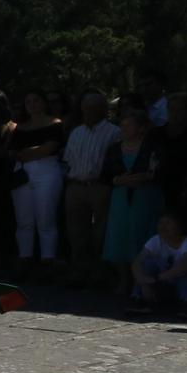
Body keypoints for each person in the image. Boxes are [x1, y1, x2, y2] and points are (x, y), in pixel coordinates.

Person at [100, 101, 164, 294]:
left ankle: (142, 281)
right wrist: (120, 180)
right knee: (119, 236)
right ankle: (123, 280)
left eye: (129, 125)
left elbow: (159, 172)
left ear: (142, 127)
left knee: (142, 234)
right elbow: (105, 175)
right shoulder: (114, 149)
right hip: (121, 198)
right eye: (123, 125)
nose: (124, 128)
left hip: (146, 197)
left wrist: (142, 177)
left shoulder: (152, 147)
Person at [61, 91, 119, 285]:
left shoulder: (113, 132)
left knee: (101, 233)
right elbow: (68, 160)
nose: (88, 112)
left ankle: (100, 273)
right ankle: (79, 271)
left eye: (93, 108)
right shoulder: (76, 132)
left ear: (103, 110)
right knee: (76, 232)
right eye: (85, 108)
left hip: (99, 187)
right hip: (76, 186)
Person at [130, 212, 187, 314]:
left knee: (182, 273)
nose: (163, 227)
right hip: (168, 285)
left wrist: (155, 279)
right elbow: (137, 262)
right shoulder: (156, 240)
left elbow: (185, 266)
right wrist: (143, 283)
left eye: (168, 223)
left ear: (180, 227)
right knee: (147, 264)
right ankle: (138, 299)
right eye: (160, 223)